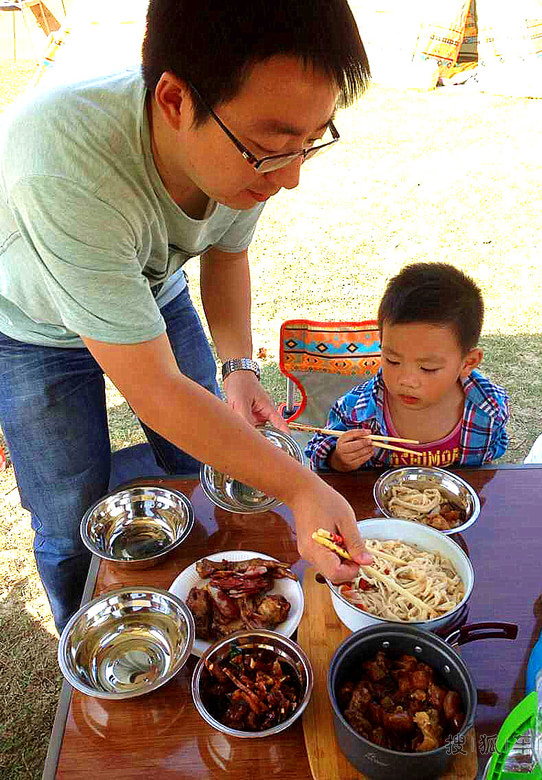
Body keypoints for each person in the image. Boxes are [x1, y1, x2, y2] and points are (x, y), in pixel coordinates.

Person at [0, 0, 373, 633]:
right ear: (174, 101)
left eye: (310, 143)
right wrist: (301, 487)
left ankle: (205, 589)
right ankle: (81, 628)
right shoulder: (62, 164)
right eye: (272, 149)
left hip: (151, 286)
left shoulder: (245, 150)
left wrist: (238, 366)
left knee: (200, 461)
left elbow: (227, 253)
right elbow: (155, 389)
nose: (291, 178)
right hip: (32, 326)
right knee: (67, 513)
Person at [306, 262, 510, 471]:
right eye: (392, 360)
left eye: (428, 368)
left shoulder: (488, 408)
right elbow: (318, 454)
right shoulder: (357, 411)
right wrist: (338, 459)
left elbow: (489, 461)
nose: (406, 380)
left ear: (468, 363)